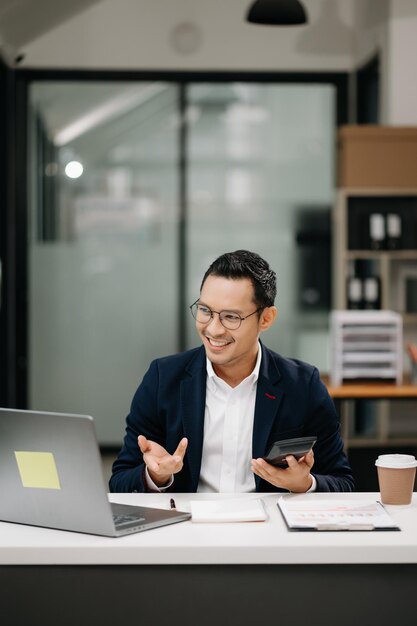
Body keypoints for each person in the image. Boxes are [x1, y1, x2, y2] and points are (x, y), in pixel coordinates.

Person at [110, 250, 354, 494]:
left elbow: (343, 483)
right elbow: (119, 482)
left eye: (231, 317)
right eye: (205, 311)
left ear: (266, 318)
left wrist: (304, 484)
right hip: (188, 527)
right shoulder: (162, 378)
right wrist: (155, 475)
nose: (214, 329)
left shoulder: (303, 385)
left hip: (269, 528)